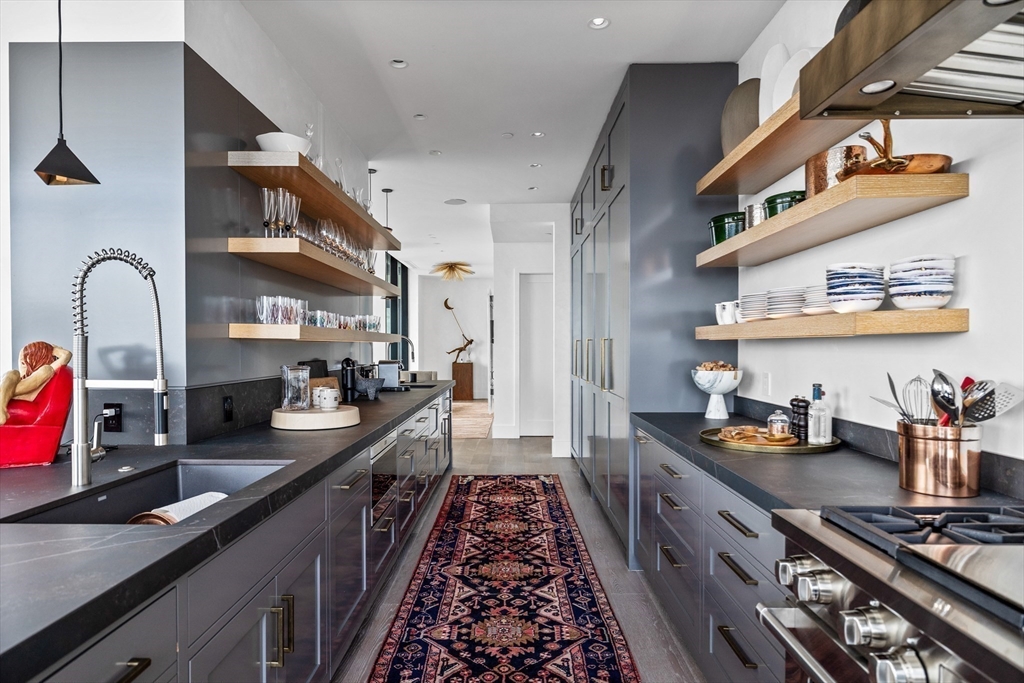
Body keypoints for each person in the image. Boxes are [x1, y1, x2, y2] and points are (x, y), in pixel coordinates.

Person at [0, 341, 72, 425]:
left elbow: (66, 355)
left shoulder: (46, 370)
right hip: (13, 392)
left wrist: (52, 349)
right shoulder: (19, 378)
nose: (22, 367)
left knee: (13, 373)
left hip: (24, 395)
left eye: (23, 363)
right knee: (13, 373)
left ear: (38, 360)